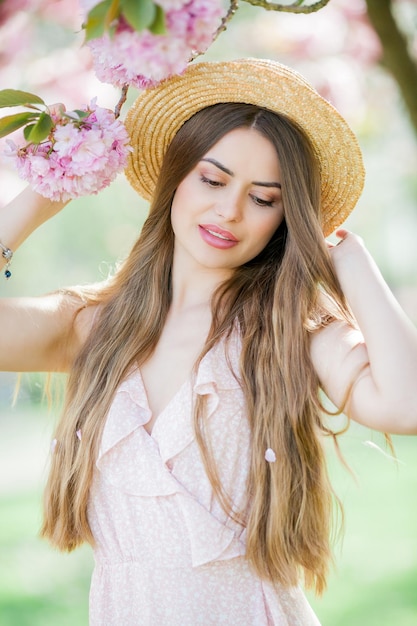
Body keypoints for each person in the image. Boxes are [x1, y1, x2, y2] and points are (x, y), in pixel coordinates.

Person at [1, 58, 417, 625]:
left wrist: (348, 256)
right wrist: (41, 195)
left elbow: (405, 403)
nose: (229, 210)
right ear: (176, 176)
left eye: (264, 199)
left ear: (286, 218)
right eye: (213, 179)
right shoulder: (92, 327)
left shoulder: (292, 333)